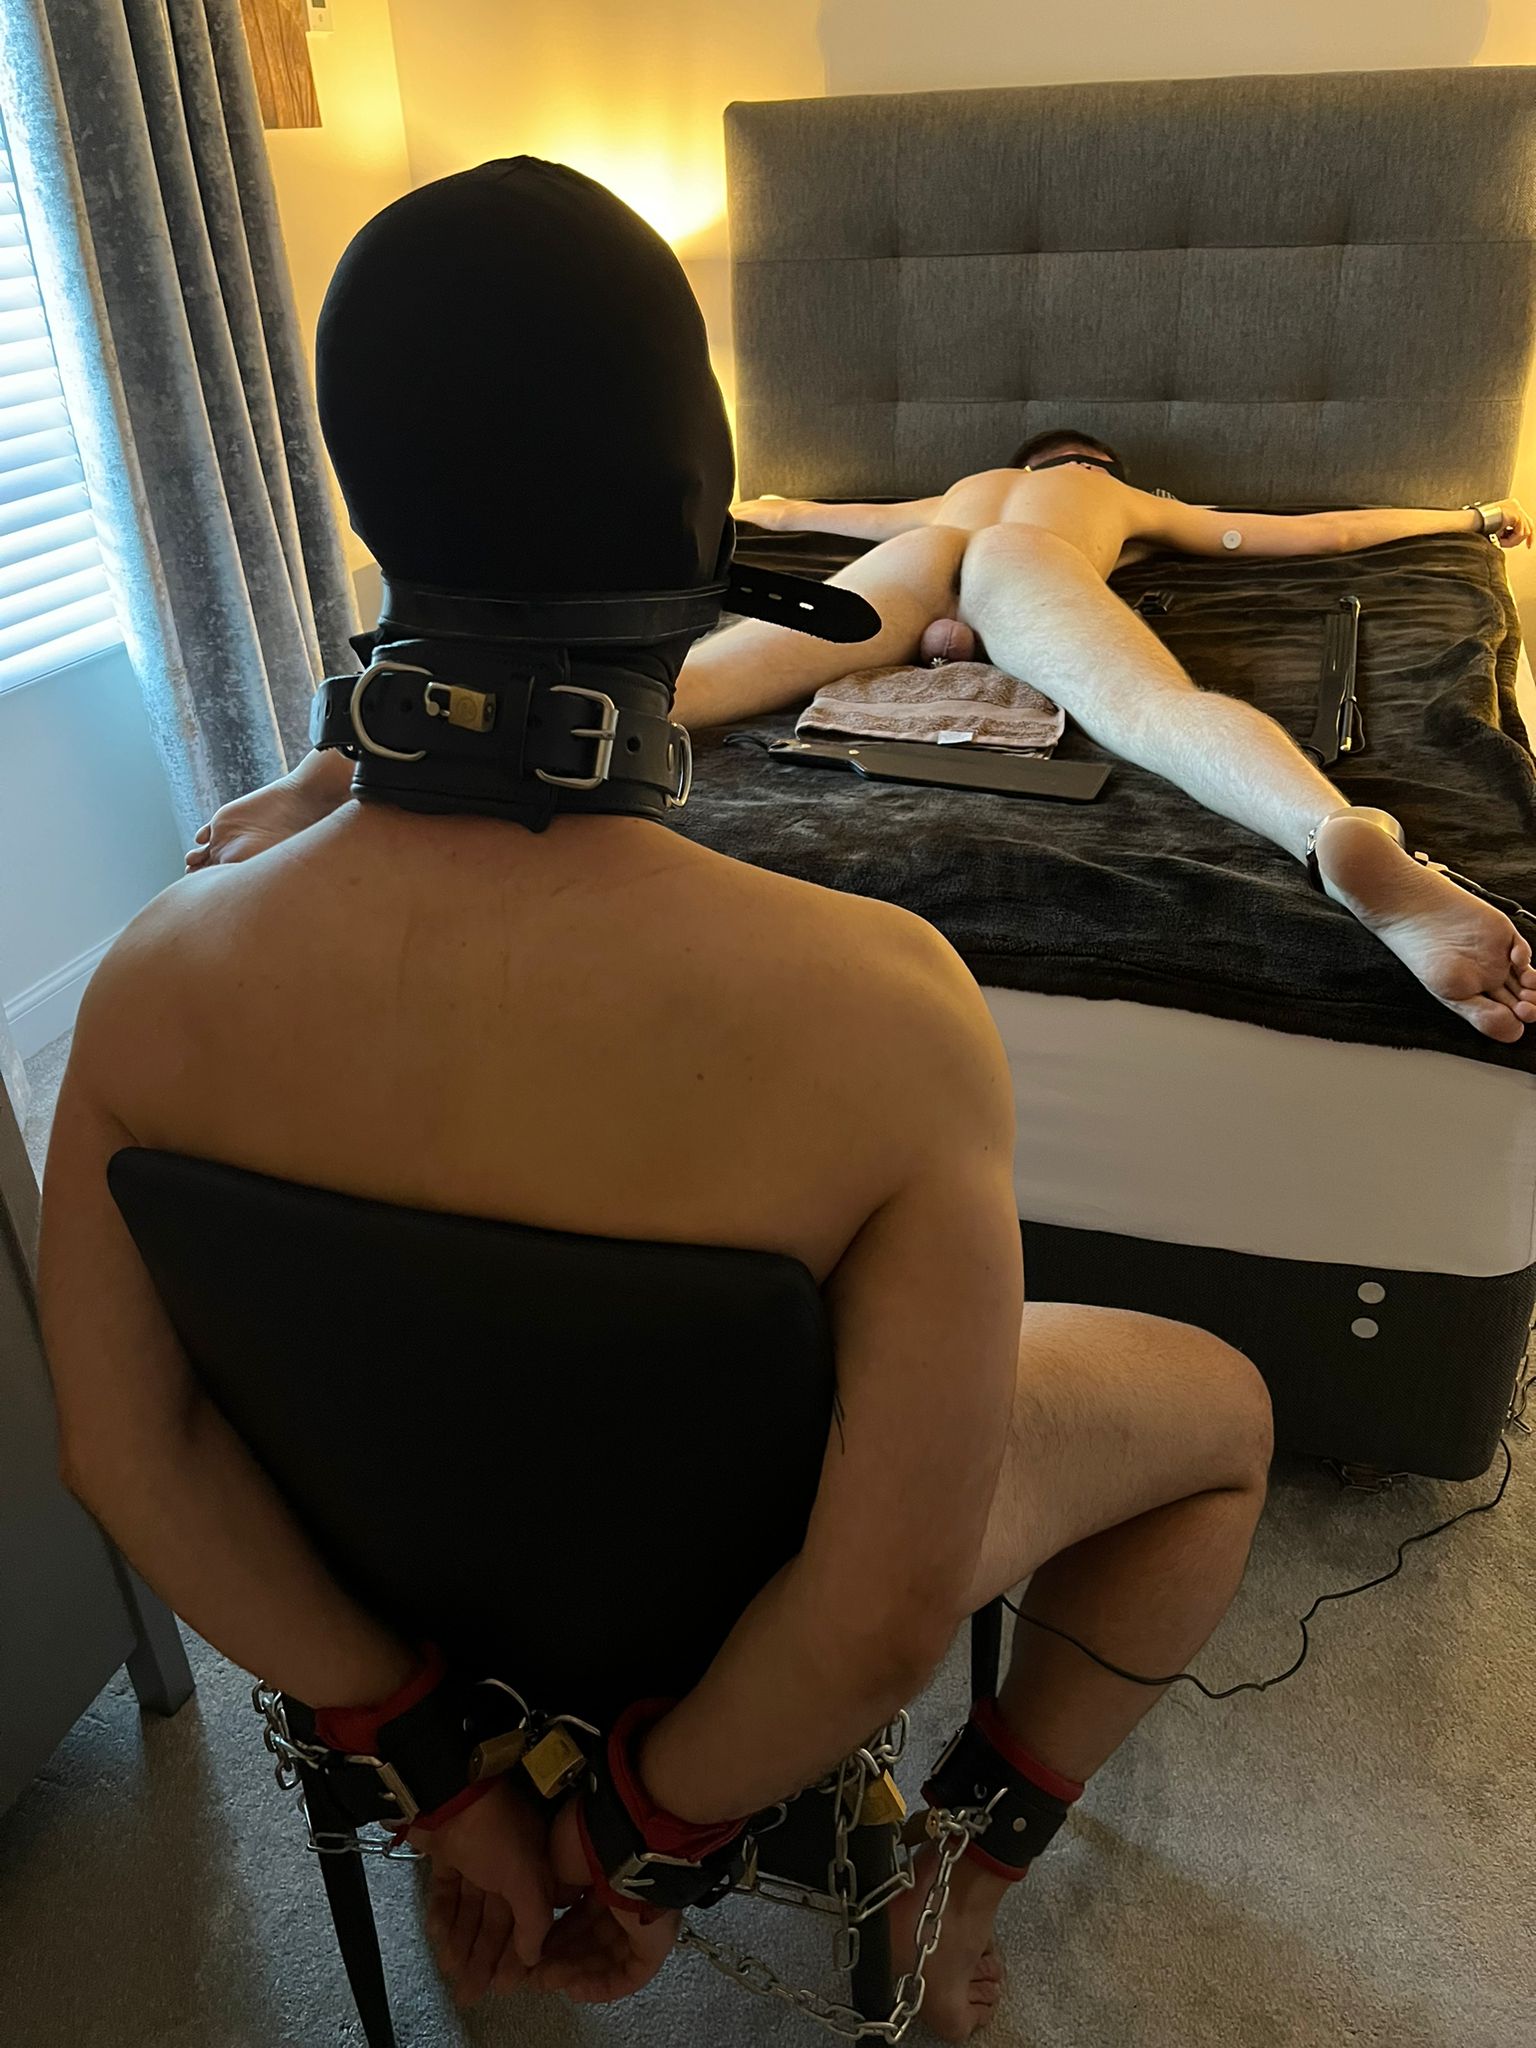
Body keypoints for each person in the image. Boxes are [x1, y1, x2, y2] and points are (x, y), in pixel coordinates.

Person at [41, 165, 1272, 2043]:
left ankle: (500, 1745)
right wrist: (642, 1828)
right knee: (1226, 1411)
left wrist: (439, 1766)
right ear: (706, 514)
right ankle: (957, 1884)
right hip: (723, 1629)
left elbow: (129, 1455)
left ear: (365, 506)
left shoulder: (146, 984)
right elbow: (879, 1605)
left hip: (404, 1584)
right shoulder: (880, 1008)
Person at [669, 428, 1536, 1045]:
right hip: (1022, 561)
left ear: (1022, 462)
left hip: (916, 558)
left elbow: (790, 514)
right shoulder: (1115, 497)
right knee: (1152, 708)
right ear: (1097, 464)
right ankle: (1331, 830)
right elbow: (1326, 532)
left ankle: (596, 729)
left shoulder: (960, 493)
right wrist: (1468, 518)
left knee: (695, 682)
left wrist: (752, 508)